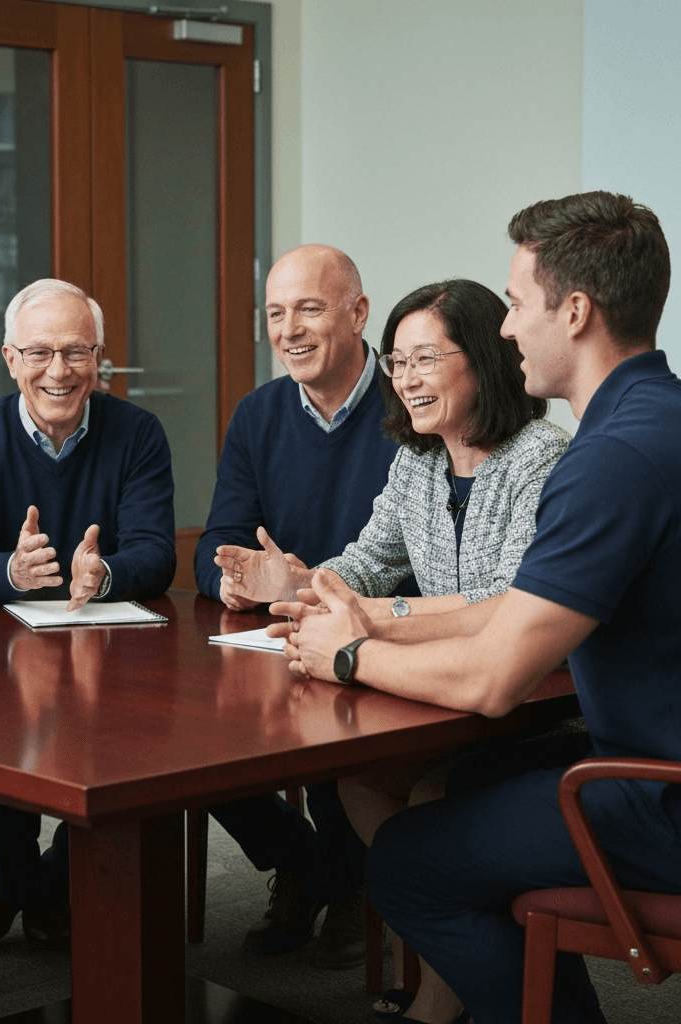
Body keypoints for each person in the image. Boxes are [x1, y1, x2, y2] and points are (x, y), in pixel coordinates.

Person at [271, 191, 679, 1024]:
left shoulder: (609, 460)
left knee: (408, 866)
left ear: (575, 311)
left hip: (659, 797)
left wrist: (348, 656)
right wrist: (374, 619)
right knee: (458, 789)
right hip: (644, 761)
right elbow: (515, 607)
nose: (505, 328)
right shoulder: (658, 419)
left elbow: (496, 680)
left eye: (518, 304)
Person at [219, 277, 570, 1018]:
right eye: (396, 363)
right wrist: (312, 583)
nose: (405, 380)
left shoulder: (541, 457)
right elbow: (369, 557)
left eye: (425, 360)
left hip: (538, 701)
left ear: (482, 359)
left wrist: (371, 615)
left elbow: (509, 601)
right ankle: (472, 937)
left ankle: (440, 1001)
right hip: (442, 686)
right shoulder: (419, 460)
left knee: (435, 793)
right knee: (363, 780)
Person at [0, 278, 175, 953]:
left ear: (100, 358)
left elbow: (158, 553)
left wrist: (105, 574)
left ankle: (29, 887)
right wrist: (11, 572)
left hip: (116, 648)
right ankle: (25, 881)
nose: (59, 371)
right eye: (39, 352)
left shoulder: (139, 433)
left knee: (136, 750)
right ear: (10, 359)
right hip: (5, 652)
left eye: (76, 352)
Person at [194, 244, 418, 967]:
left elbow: (424, 562)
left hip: (376, 640)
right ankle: (314, 866)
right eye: (276, 313)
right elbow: (219, 538)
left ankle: (347, 881)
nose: (290, 329)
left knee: (331, 734)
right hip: (274, 638)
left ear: (358, 314)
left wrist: (313, 586)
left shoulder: (410, 406)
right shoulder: (258, 414)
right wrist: (231, 579)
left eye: (310, 309)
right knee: (191, 744)